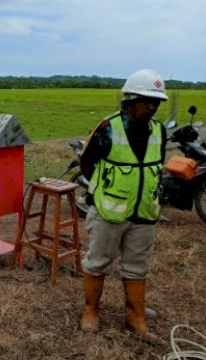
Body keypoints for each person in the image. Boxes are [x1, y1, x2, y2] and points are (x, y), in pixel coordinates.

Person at [79, 69, 169, 343]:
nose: (152, 106)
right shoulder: (108, 128)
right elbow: (87, 163)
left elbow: (156, 166)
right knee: (98, 262)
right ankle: (91, 310)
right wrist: (109, 189)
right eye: (145, 100)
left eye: (156, 102)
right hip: (109, 210)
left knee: (137, 266)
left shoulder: (159, 131)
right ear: (129, 101)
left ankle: (135, 317)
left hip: (144, 212)